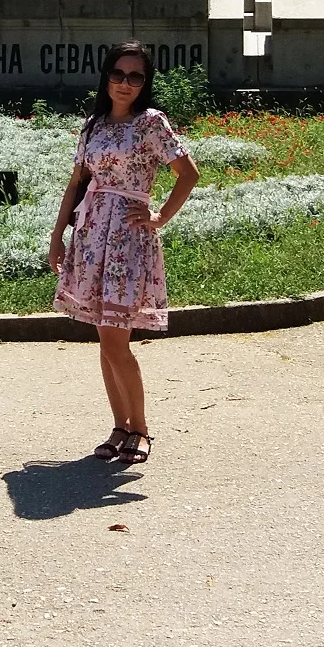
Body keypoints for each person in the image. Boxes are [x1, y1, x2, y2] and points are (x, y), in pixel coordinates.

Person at [48, 42, 200, 465]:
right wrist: (58, 235)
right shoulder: (93, 124)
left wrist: (160, 215)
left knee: (116, 340)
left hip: (128, 242)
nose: (125, 83)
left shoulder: (151, 123)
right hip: (91, 235)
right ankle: (120, 427)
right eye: (118, 74)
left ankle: (141, 429)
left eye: (136, 76)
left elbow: (188, 174)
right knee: (105, 337)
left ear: (144, 82)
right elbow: (76, 183)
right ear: (106, 76)